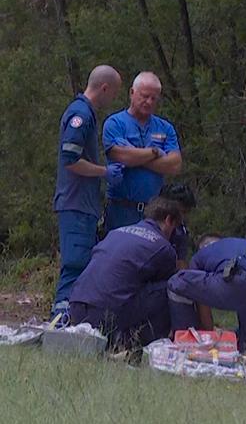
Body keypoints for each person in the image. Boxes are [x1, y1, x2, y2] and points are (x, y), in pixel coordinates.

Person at [52, 65, 124, 321]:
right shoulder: (80, 115)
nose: (113, 99)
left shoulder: (88, 114)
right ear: (104, 88)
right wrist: (104, 172)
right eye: (114, 93)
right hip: (75, 203)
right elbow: (70, 159)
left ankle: (72, 320)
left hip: (85, 205)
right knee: (74, 264)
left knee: (82, 264)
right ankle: (60, 322)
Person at [69, 197, 183, 348]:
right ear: (169, 220)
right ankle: (145, 344)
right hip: (107, 316)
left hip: (77, 307)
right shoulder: (163, 247)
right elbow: (170, 284)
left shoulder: (115, 233)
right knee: (174, 285)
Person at [167, 235, 246, 357]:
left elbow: (203, 307)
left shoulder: (201, 256)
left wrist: (208, 335)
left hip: (238, 283)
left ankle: (186, 344)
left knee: (178, 282)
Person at [102, 71, 182, 231]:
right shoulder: (115, 123)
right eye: (144, 96)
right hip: (121, 209)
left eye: (154, 98)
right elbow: (121, 155)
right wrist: (155, 152)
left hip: (153, 211)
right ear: (132, 93)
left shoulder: (165, 127)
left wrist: (135, 156)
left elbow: (174, 165)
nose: (149, 101)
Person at [159, 183, 197, 269]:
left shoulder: (180, 232)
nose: (182, 217)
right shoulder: (148, 225)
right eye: (181, 212)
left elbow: (181, 263)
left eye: (186, 212)